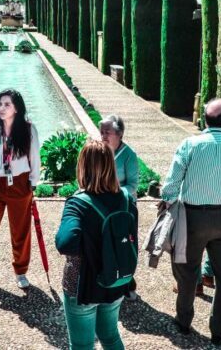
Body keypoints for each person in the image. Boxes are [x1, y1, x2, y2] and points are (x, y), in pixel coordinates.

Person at [160, 98, 221, 345]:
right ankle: (218, 331)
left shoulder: (189, 145)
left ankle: (183, 322)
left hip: (192, 217)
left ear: (205, 119)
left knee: (187, 269)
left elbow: (170, 187)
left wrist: (170, 203)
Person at [55, 140, 137, 350]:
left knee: (82, 345)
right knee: (110, 336)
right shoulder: (126, 200)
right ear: (111, 166)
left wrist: (90, 246)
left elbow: (65, 243)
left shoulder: (78, 204)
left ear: (82, 167)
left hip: (83, 284)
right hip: (115, 279)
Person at [0, 89, 41, 288]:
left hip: (19, 183)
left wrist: (32, 183)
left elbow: (35, 158)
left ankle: (21, 271)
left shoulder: (28, 129)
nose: (2, 108)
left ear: (16, 108)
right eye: (0, 104)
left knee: (20, 230)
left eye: (7, 104)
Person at [99, 114, 139, 301]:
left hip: (124, 209)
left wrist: (114, 193)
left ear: (119, 134)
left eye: (107, 132)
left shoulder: (129, 155)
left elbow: (132, 186)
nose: (103, 136)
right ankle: (105, 279)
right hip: (102, 208)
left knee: (126, 245)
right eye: (102, 132)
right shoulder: (99, 151)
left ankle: (127, 282)